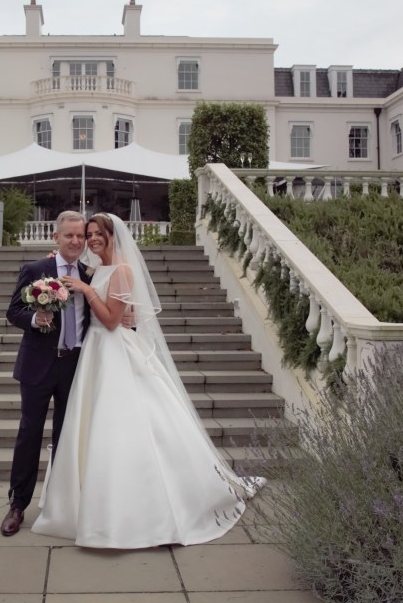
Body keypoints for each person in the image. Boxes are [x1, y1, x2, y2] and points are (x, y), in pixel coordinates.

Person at [32, 212, 266, 548]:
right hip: (94, 353)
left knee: (121, 426)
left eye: (99, 234)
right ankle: (88, 505)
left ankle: (139, 512)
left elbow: (112, 321)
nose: (93, 239)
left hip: (113, 349)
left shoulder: (123, 271)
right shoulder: (97, 269)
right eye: (90, 234)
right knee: (93, 426)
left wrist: (86, 290)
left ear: (114, 235)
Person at [0, 210, 92, 536]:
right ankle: (17, 505)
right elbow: (14, 310)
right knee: (30, 434)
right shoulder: (36, 269)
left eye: (80, 235)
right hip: (38, 364)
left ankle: (59, 504)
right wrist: (35, 319)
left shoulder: (89, 274)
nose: (75, 241)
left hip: (74, 366)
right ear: (56, 237)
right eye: (69, 235)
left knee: (66, 438)